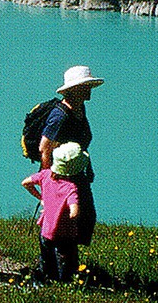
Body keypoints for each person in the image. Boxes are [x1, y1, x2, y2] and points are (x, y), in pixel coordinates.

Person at [39, 65, 103, 247]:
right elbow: (44, 148)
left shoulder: (80, 109)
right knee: (64, 219)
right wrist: (48, 180)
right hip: (60, 176)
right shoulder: (59, 116)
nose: (89, 90)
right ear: (75, 89)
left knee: (84, 217)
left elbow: (81, 143)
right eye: (86, 86)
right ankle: (58, 264)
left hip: (77, 173)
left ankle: (66, 262)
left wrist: (88, 167)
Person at [22, 142, 90, 282]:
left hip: (46, 231)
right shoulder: (71, 188)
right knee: (66, 261)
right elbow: (74, 212)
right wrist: (76, 212)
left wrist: (41, 197)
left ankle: (45, 278)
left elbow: (26, 183)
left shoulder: (45, 175)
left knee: (46, 257)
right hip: (65, 234)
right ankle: (64, 283)